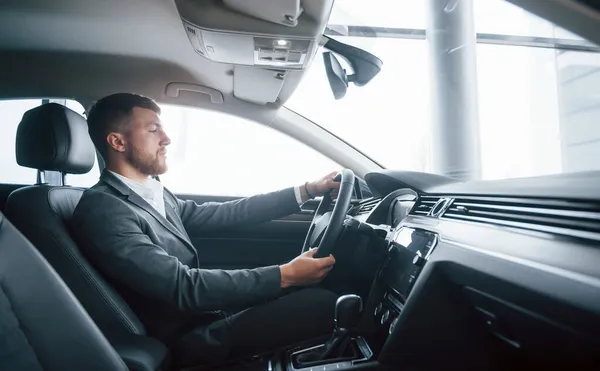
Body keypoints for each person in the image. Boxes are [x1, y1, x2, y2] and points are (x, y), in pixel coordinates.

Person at [70, 93, 342, 367]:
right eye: (153, 130)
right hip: (181, 341)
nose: (166, 139)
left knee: (313, 300)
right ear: (117, 141)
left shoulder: (153, 194)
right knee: (324, 304)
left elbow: (227, 213)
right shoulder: (105, 209)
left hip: (204, 316)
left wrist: (307, 191)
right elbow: (182, 286)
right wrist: (286, 275)